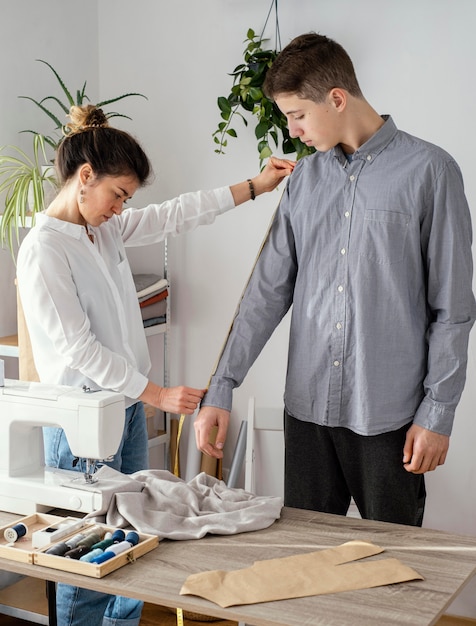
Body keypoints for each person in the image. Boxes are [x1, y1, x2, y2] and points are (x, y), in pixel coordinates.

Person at [16, 104, 294, 626]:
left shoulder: (104, 231)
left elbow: (177, 214)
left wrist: (255, 186)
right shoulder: (44, 251)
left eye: (127, 199)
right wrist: (157, 395)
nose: (121, 208)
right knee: (89, 550)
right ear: (84, 177)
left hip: (122, 410)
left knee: (139, 540)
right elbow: (80, 350)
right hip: (81, 425)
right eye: (117, 194)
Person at [194, 33, 476, 528]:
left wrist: (438, 413)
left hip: (390, 416)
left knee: (390, 571)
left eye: (298, 115)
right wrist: (222, 387)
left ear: (337, 98)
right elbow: (266, 293)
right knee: (304, 563)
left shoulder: (432, 172)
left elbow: (452, 308)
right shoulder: (304, 181)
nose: (293, 130)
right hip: (307, 411)